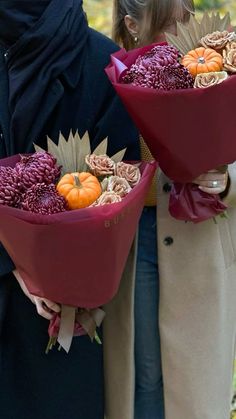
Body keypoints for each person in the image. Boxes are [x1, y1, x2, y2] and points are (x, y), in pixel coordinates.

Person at [0, 1, 140, 419]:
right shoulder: (103, 59)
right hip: (64, 302)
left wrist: (41, 271)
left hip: (66, 312)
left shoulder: (103, 64)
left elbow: (117, 188)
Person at [107, 1, 236, 419]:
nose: (179, 33)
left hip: (202, 247)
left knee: (195, 389)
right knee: (145, 376)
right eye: (168, 24)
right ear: (131, 23)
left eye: (186, 20)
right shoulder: (112, 76)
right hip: (138, 243)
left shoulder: (214, 67)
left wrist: (227, 180)